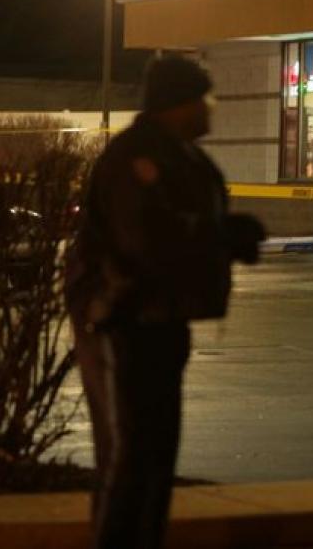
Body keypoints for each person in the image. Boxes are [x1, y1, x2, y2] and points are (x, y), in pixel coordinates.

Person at [65, 56, 265, 549]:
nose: (211, 108)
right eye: (205, 98)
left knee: (155, 456)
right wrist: (220, 235)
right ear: (179, 103)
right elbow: (144, 240)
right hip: (121, 322)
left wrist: (224, 239)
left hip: (162, 320)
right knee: (129, 456)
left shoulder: (182, 156)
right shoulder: (134, 159)